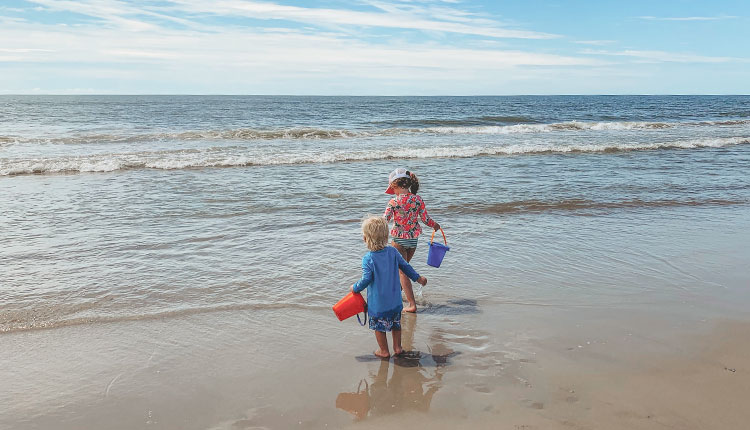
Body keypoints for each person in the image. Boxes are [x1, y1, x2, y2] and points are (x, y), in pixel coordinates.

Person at [352, 216, 427, 359]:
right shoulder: (392, 252)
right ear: (387, 236)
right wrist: (418, 278)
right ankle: (398, 348)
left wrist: (354, 288)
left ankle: (384, 351)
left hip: (378, 305)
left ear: (365, 239)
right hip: (395, 303)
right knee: (395, 324)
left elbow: (366, 279)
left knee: (379, 328)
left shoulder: (368, 259)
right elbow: (406, 267)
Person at [383, 168, 440, 312]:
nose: (393, 192)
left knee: (402, 272)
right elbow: (425, 219)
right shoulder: (418, 199)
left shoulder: (393, 202)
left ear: (395, 186)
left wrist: (372, 228)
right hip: (413, 240)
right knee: (404, 268)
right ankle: (396, 295)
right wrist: (435, 225)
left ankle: (412, 304)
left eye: (393, 188)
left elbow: (385, 221)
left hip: (398, 240)